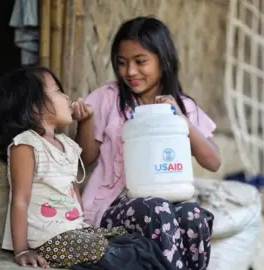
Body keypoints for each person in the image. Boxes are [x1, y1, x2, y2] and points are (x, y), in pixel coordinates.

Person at [74, 16, 221, 270]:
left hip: (168, 203)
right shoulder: (109, 98)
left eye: (140, 62)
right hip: (113, 208)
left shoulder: (183, 105)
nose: (130, 72)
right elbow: (85, 159)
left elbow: (214, 161)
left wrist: (182, 120)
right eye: (122, 63)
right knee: (157, 208)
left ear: (163, 61)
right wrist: (85, 122)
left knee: (194, 215)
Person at [0, 66, 172, 269]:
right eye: (58, 91)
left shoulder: (65, 144)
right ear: (34, 106)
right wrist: (22, 250)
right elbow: (20, 199)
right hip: (49, 239)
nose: (67, 96)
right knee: (117, 254)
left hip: (74, 232)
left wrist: (86, 121)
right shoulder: (26, 145)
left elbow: (72, 188)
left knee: (135, 243)